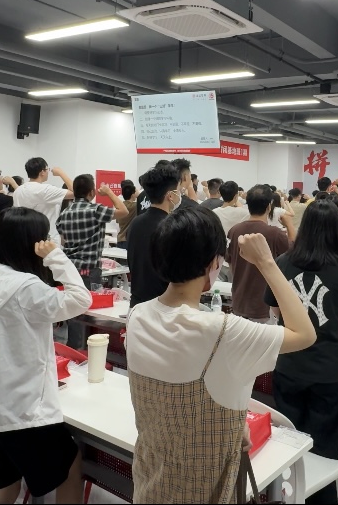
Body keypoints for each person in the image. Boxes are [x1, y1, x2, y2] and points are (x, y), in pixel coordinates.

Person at [126, 210, 316, 504]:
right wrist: (266, 263)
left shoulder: (137, 316)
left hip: (149, 483)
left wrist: (234, 420)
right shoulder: (223, 332)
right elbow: (304, 333)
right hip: (204, 491)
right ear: (214, 264)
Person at [0, 207, 93, 505]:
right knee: (70, 465)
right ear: (33, 243)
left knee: (4, 486)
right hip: (23, 412)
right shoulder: (28, 288)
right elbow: (81, 299)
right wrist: (56, 258)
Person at [266, 199, 338, 504]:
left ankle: (288, 494)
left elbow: (275, 309)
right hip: (329, 369)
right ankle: (321, 496)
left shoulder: (283, 262)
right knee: (326, 444)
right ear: (336, 230)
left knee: (289, 438)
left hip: (288, 365)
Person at [227, 185, 292, 323]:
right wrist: (289, 225)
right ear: (269, 206)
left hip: (239, 301)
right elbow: (294, 256)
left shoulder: (234, 231)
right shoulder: (275, 234)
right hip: (264, 306)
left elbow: (230, 261)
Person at [57, 173, 129, 286]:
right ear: (91, 192)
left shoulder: (64, 213)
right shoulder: (96, 210)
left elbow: (63, 241)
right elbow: (124, 211)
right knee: (90, 296)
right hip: (89, 268)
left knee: (72, 295)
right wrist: (108, 192)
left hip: (69, 267)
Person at [127, 163, 179, 306]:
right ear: (170, 195)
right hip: (163, 305)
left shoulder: (135, 223)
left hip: (137, 304)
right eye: (178, 191)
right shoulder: (173, 226)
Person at [14, 157, 76, 243]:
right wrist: (61, 173)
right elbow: (76, 192)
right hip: (45, 239)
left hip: (25, 237)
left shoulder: (18, 190)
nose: (48, 172)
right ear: (42, 172)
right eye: (47, 169)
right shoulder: (45, 190)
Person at [116, 179, 138, 249]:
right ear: (132, 194)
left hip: (120, 238)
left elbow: (117, 221)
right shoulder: (135, 206)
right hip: (128, 239)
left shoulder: (120, 206)